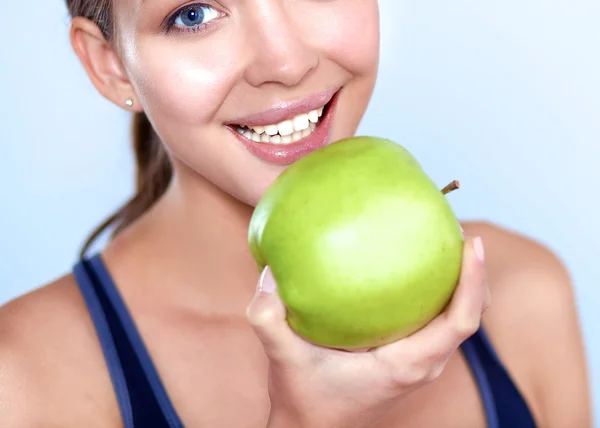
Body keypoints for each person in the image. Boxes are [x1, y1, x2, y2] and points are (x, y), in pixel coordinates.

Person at [0, 1, 591, 427]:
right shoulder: (25, 379)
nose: (284, 62)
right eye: (194, 14)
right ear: (110, 64)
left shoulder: (523, 293)